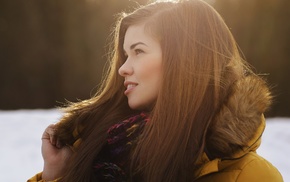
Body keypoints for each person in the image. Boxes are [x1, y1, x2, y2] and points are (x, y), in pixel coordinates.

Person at [28, 0, 283, 181]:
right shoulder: (94, 147)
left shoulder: (250, 176)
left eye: (138, 51)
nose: (122, 69)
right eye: (125, 55)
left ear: (185, 60)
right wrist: (55, 174)